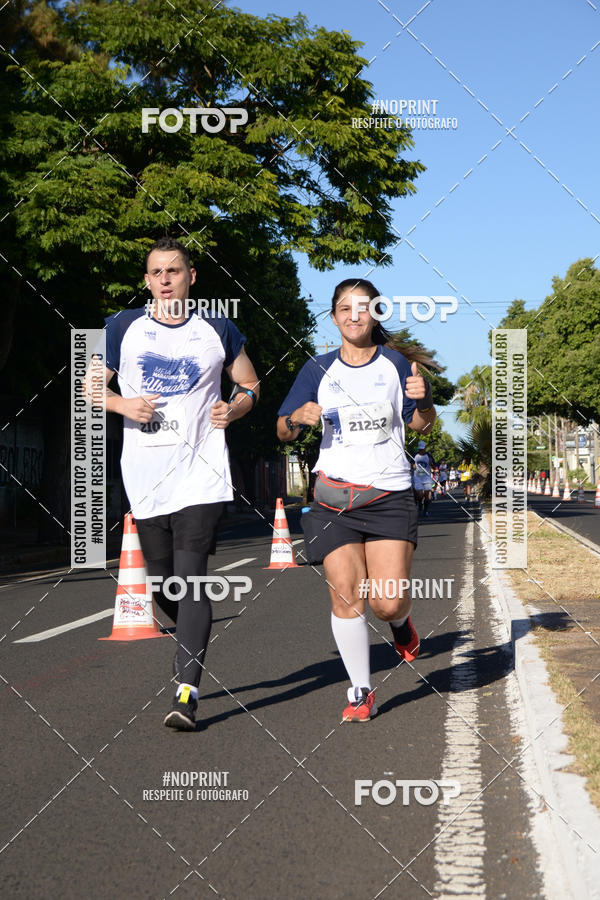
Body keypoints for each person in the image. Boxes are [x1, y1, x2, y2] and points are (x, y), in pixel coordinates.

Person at [94, 237, 259, 731]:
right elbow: (88, 384)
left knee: (191, 580)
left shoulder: (217, 328)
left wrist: (235, 407)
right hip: (144, 475)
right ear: (146, 281)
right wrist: (123, 405)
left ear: (192, 278)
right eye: (156, 272)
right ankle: (189, 631)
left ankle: (186, 692)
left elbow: (250, 384)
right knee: (164, 580)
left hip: (201, 476)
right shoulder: (123, 327)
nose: (165, 278)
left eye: (174, 270)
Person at [277, 278, 436, 722]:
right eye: (344, 308)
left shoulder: (396, 365)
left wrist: (424, 404)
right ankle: (360, 692)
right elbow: (282, 428)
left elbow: (422, 425)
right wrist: (296, 417)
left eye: (362, 308)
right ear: (334, 317)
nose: (353, 315)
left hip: (388, 496)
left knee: (387, 601)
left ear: (375, 315)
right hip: (333, 499)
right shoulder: (317, 370)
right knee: (346, 596)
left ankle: (400, 625)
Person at [413, 440, 435, 516]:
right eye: (420, 449)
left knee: (427, 496)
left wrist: (431, 463)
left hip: (427, 478)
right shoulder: (415, 455)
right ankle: (420, 503)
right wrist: (412, 465)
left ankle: (425, 510)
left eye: (422, 449)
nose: (421, 450)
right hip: (418, 477)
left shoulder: (429, 456)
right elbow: (410, 463)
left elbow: (434, 466)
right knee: (419, 494)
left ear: (425, 448)